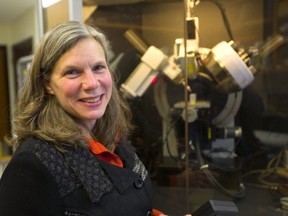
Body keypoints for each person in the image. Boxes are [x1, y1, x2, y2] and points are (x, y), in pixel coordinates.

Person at [0, 21, 165, 216]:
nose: (92, 83)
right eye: (72, 72)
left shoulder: (112, 138)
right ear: (47, 84)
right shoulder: (33, 164)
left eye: (98, 68)